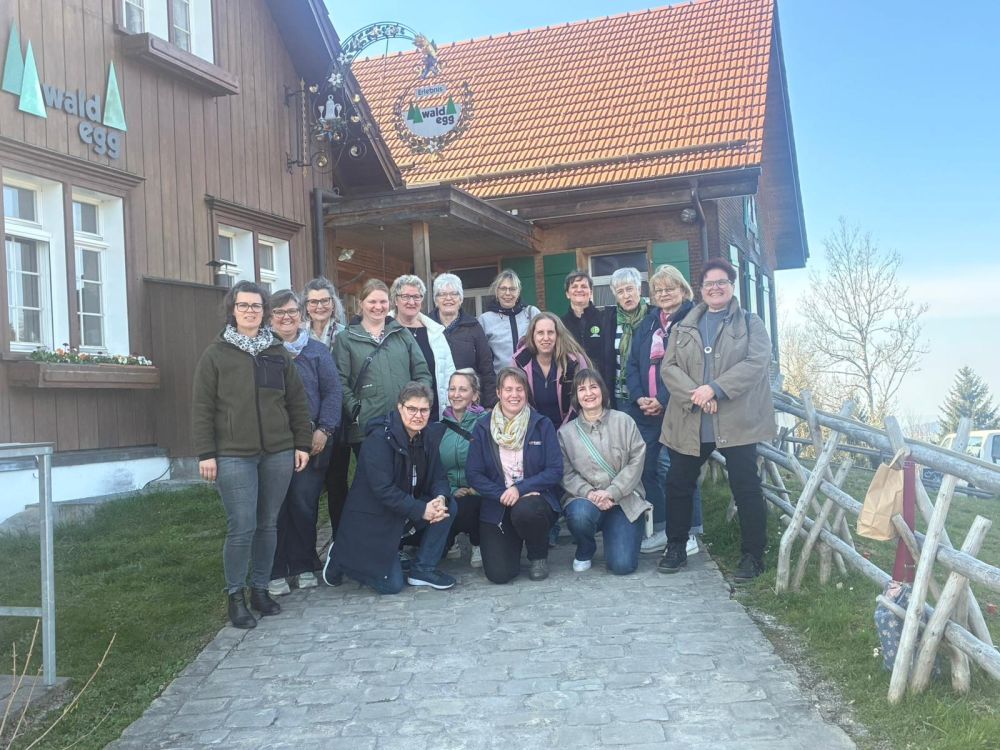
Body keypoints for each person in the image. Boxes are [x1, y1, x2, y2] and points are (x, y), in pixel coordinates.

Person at [191, 281, 312, 629]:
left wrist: (301, 444)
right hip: (232, 455)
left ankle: (260, 589)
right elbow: (202, 407)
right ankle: (235, 596)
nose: (250, 311)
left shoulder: (276, 352)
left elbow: (296, 402)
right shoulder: (216, 355)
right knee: (241, 526)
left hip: (277, 452)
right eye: (243, 306)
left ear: (265, 312)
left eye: (256, 306)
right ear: (233, 310)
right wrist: (206, 453)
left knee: (267, 523)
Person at [659, 258, 776, 580]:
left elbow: (756, 363)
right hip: (690, 419)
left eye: (721, 282)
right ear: (700, 289)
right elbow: (669, 368)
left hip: (737, 422)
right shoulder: (683, 326)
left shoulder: (751, 323)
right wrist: (697, 394)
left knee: (746, 487)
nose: (715, 288)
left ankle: (753, 555)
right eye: (709, 283)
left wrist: (715, 389)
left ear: (731, 285)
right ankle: (676, 546)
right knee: (678, 484)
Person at [325, 382, 458, 593]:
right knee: (391, 585)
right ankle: (341, 556)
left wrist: (440, 498)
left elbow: (439, 476)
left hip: (404, 513)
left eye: (423, 410)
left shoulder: (427, 437)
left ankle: (423, 569)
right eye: (412, 409)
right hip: (375, 520)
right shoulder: (378, 440)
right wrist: (422, 509)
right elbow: (383, 490)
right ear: (400, 407)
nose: (418, 415)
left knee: (449, 505)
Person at [266, 290, 342, 596]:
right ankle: (276, 569)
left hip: (311, 442)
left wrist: (324, 429)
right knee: (275, 508)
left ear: (302, 314)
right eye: (279, 312)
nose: (287, 317)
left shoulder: (316, 352)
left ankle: (304, 563)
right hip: (272, 443)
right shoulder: (264, 352)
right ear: (270, 318)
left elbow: (333, 393)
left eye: (292, 311)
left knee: (303, 504)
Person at [627, 264, 704, 555]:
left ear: (683, 290)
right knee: (646, 468)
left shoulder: (694, 320)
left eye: (670, 289)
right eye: (659, 290)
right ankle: (662, 527)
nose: (664, 294)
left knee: (680, 470)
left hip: (679, 407)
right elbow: (633, 363)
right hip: (646, 410)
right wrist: (638, 398)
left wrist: (663, 398)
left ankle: (690, 533)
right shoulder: (648, 323)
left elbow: (692, 368)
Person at [466, 367, 564, 583]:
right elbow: (473, 473)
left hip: (534, 501)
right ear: (499, 393)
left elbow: (555, 470)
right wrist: (502, 493)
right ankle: (512, 543)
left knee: (527, 510)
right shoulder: (483, 427)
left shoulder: (541, 424)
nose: (514, 395)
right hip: (498, 504)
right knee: (499, 575)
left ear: (526, 393)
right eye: (508, 389)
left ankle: (538, 555)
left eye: (519, 389)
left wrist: (520, 489)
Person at [558, 370, 650, 575]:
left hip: (624, 500)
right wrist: (590, 494)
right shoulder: (566, 433)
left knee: (622, 565)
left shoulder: (624, 421)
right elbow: (566, 473)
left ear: (602, 391)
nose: (588, 393)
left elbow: (637, 459)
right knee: (580, 516)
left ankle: (618, 533)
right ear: (576, 396)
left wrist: (612, 492)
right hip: (586, 500)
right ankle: (585, 547)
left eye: (593, 387)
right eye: (582, 389)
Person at [333, 279, 433, 451]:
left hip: (405, 422)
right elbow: (339, 381)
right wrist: (357, 411)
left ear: (390, 303)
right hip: (368, 426)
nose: (378, 307)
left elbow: (422, 372)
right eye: (372, 301)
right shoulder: (346, 338)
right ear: (361, 303)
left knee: (406, 476)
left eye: (383, 301)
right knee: (375, 477)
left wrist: (416, 403)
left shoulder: (402, 334)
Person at [302, 277, 352, 545]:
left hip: (338, 419)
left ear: (333, 305)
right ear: (306, 306)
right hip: (305, 420)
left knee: (337, 483)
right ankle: (305, 548)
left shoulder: (345, 334)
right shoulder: (298, 335)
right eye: (313, 301)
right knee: (306, 488)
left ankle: (340, 543)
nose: (319, 306)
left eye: (324, 300)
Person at [389, 274, 456, 421]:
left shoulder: (435, 332)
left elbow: (449, 374)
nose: (411, 302)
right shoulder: (386, 331)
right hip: (396, 413)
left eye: (417, 297)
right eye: (405, 296)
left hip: (432, 413)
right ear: (395, 299)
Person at [439, 369, 486, 568]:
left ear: (474, 395)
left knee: (468, 505)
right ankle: (451, 539)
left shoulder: (485, 423)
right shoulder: (438, 428)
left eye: (463, 389)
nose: (456, 394)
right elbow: (435, 470)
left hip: (477, 493)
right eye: (452, 389)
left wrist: (479, 487)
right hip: (449, 493)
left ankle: (478, 541)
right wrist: (449, 491)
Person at [512, 312, 589, 428]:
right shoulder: (519, 362)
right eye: (540, 333)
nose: (546, 338)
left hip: (571, 428)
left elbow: (581, 401)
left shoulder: (575, 362)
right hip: (532, 428)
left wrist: (564, 432)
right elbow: (517, 401)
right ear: (532, 336)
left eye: (550, 332)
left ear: (558, 335)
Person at [430, 272, 497, 407]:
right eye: (442, 294)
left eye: (454, 294)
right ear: (436, 300)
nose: (448, 298)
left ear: (460, 299)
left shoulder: (473, 327)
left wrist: (489, 404)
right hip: (434, 404)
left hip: (468, 403)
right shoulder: (426, 326)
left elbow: (486, 368)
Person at [560, 271, 617, 402]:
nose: (579, 290)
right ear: (567, 293)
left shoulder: (605, 319)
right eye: (574, 286)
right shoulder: (560, 324)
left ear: (591, 292)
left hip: (603, 387)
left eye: (584, 286)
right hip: (573, 390)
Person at [478, 269, 540, 375]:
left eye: (512, 289)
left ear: (518, 292)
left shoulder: (531, 313)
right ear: (497, 292)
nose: (507, 293)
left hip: (531, 379)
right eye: (503, 289)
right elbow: (482, 357)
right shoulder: (485, 320)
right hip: (501, 381)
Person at [609, 267, 649, 406]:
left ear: (639, 289)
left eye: (629, 289)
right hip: (620, 396)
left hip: (649, 396)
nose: (626, 295)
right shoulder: (609, 320)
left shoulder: (653, 316)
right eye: (620, 291)